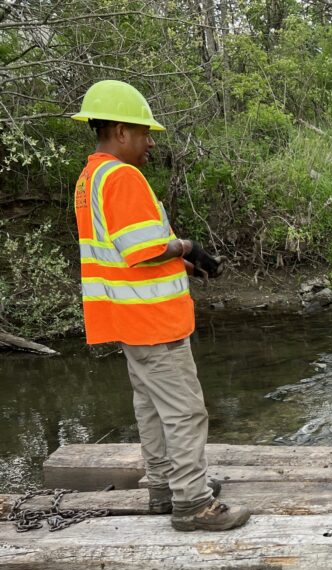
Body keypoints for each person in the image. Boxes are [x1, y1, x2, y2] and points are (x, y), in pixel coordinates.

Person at [72, 80, 250, 532]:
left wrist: (182, 266)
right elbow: (143, 248)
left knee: (150, 406)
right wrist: (189, 247)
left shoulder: (90, 177)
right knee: (185, 410)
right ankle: (193, 503)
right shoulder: (122, 176)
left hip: (128, 316)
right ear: (119, 131)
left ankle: (162, 487)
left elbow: (121, 253)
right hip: (154, 320)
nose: (151, 141)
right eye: (144, 132)